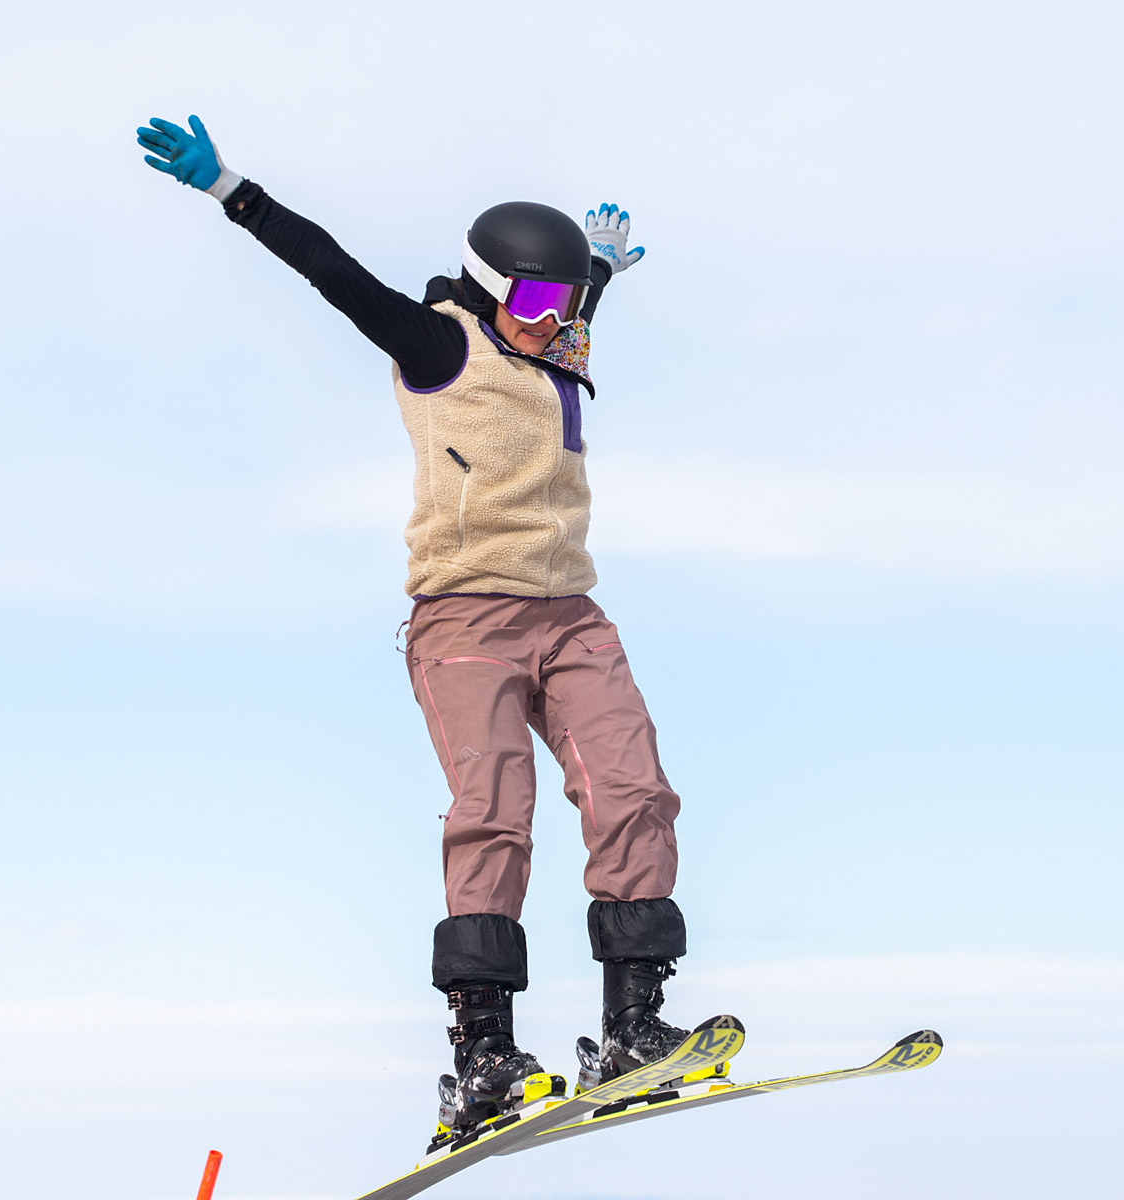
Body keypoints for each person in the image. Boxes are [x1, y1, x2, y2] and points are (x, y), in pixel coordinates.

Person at [137, 114, 694, 1143]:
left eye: (564, 304)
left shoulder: (560, 335)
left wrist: (596, 271)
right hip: (466, 620)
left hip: (571, 613)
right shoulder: (439, 341)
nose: (551, 321)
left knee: (633, 787)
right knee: (496, 812)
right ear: (489, 292)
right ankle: (483, 1054)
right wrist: (232, 189)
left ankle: (634, 1026)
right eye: (531, 301)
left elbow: (570, 307)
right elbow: (331, 270)